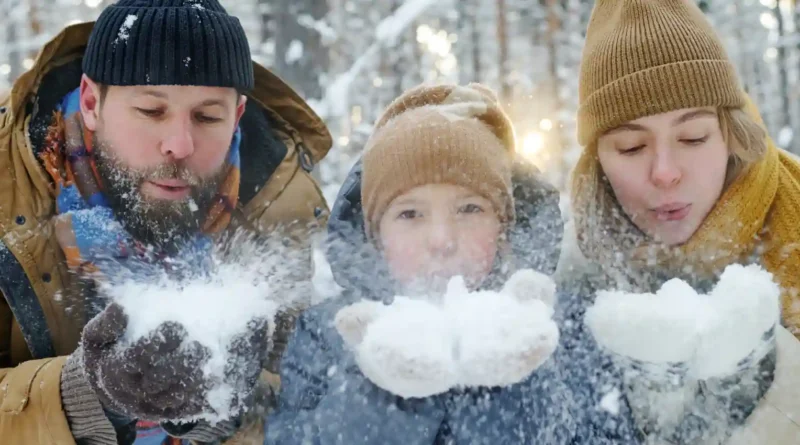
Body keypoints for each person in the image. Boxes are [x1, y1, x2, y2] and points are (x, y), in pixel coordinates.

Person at [0, 0, 332, 443]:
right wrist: (77, 397)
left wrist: (231, 410)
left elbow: (311, 409)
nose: (178, 144)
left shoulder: (278, 211)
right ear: (92, 101)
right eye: (152, 112)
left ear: (236, 117)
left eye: (206, 116)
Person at [265, 83, 640, 444]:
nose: (442, 240)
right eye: (410, 214)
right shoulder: (328, 334)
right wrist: (384, 391)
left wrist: (518, 381)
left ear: (504, 227)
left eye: (469, 209)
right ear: (376, 236)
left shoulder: (561, 324)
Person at [563, 0, 800, 443]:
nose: (665, 172)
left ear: (732, 134)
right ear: (597, 160)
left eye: (693, 138)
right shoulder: (565, 290)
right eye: (632, 146)